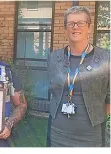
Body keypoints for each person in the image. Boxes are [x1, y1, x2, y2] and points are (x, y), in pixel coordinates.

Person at [48, 6, 110, 147]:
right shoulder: (54, 58)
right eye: (71, 23)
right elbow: (53, 91)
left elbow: (109, 98)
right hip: (58, 132)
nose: (75, 27)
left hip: (91, 135)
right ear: (66, 28)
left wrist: (95, 116)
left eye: (80, 23)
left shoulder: (105, 58)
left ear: (89, 27)